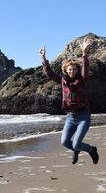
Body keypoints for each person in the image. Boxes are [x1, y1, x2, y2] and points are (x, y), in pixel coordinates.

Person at [39, 37, 99, 165]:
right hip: (70, 117)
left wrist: (84, 54)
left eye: (74, 69)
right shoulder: (63, 80)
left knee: (77, 143)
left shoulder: (81, 79)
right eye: (69, 69)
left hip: (83, 116)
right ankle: (76, 150)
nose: (72, 71)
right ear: (66, 70)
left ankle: (91, 149)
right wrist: (43, 59)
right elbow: (49, 74)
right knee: (65, 142)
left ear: (77, 70)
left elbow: (86, 69)